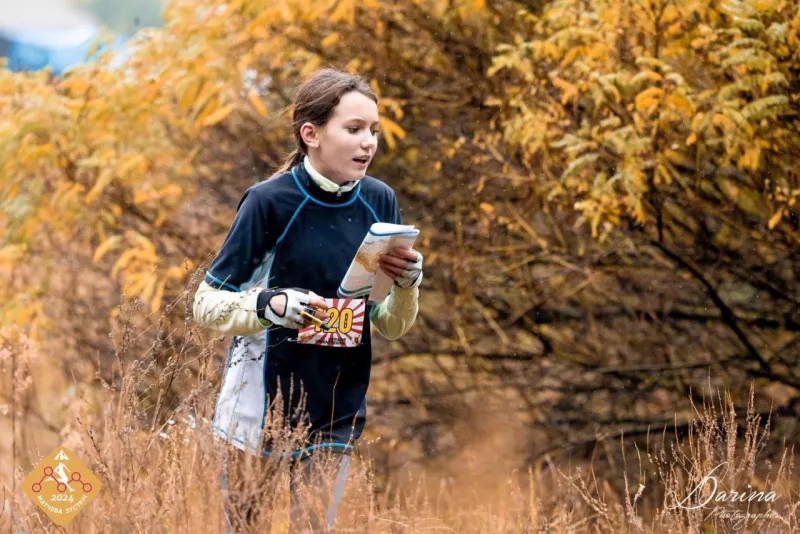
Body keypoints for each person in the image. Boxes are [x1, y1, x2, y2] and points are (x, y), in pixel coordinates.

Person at [192, 68, 424, 532]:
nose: (368, 143)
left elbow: (389, 323)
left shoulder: (381, 202)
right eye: (354, 129)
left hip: (336, 406)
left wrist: (407, 285)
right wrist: (267, 306)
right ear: (311, 134)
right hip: (258, 411)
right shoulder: (268, 202)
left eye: (373, 131)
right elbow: (205, 304)